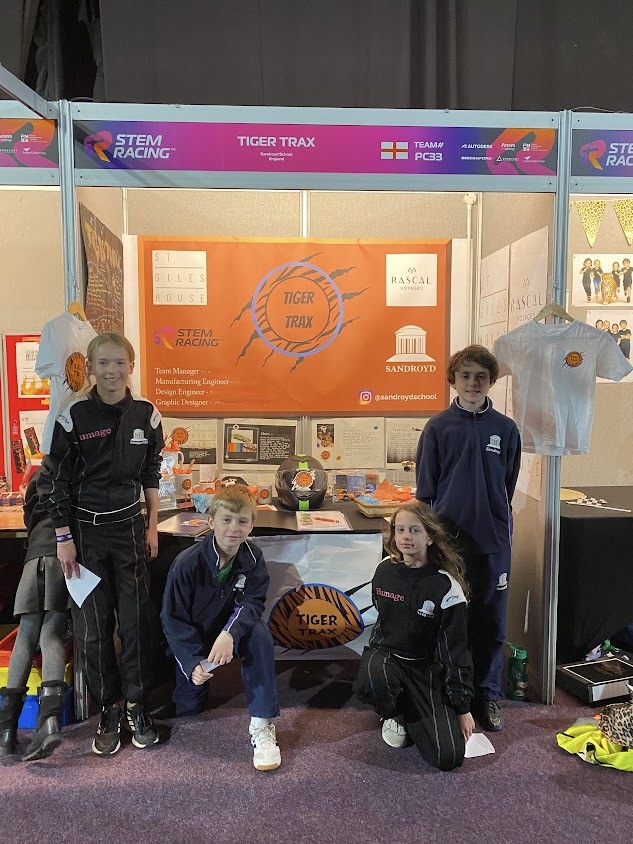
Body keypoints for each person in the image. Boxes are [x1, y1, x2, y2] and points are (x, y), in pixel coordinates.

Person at [36, 333, 164, 757]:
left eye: (120, 363)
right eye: (104, 363)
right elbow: (54, 481)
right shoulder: (73, 414)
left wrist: (152, 526)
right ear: (90, 367)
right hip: (84, 536)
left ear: (131, 365)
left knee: (136, 625)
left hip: (130, 532)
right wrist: (62, 537)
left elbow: (150, 471)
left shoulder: (147, 414)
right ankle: (108, 709)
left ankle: (137, 706)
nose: (112, 371)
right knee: (92, 630)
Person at [415, 345, 521, 732]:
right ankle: (450, 694)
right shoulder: (438, 428)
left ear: (491, 381)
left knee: (490, 621)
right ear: (453, 381)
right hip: (449, 543)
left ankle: (487, 695)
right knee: (449, 619)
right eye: (465, 375)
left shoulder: (506, 429)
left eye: (481, 376)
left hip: (493, 542)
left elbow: (507, 485)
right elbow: (426, 493)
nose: (473, 383)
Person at [161, 485, 281, 771]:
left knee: (259, 635)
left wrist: (229, 633)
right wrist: (191, 662)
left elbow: (252, 603)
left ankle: (262, 724)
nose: (234, 528)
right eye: (226, 519)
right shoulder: (186, 564)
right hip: (195, 639)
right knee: (189, 709)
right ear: (210, 521)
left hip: (230, 634)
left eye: (242, 521)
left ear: (251, 525)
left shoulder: (253, 558)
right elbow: (172, 619)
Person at [354, 501, 474, 771]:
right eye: (400, 530)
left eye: (415, 530)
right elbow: (381, 615)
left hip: (425, 670)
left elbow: (456, 652)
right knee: (374, 674)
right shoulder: (384, 570)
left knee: (448, 758)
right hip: (388, 658)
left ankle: (412, 706)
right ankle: (393, 713)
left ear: (430, 537)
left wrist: (462, 708)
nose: (406, 536)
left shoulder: (447, 587)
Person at [0, 469, 69, 761]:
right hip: (65, 556)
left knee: (25, 637)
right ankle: (49, 722)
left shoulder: (40, 472)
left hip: (35, 555)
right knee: (52, 637)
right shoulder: (77, 472)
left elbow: (30, 514)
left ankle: (6, 732)